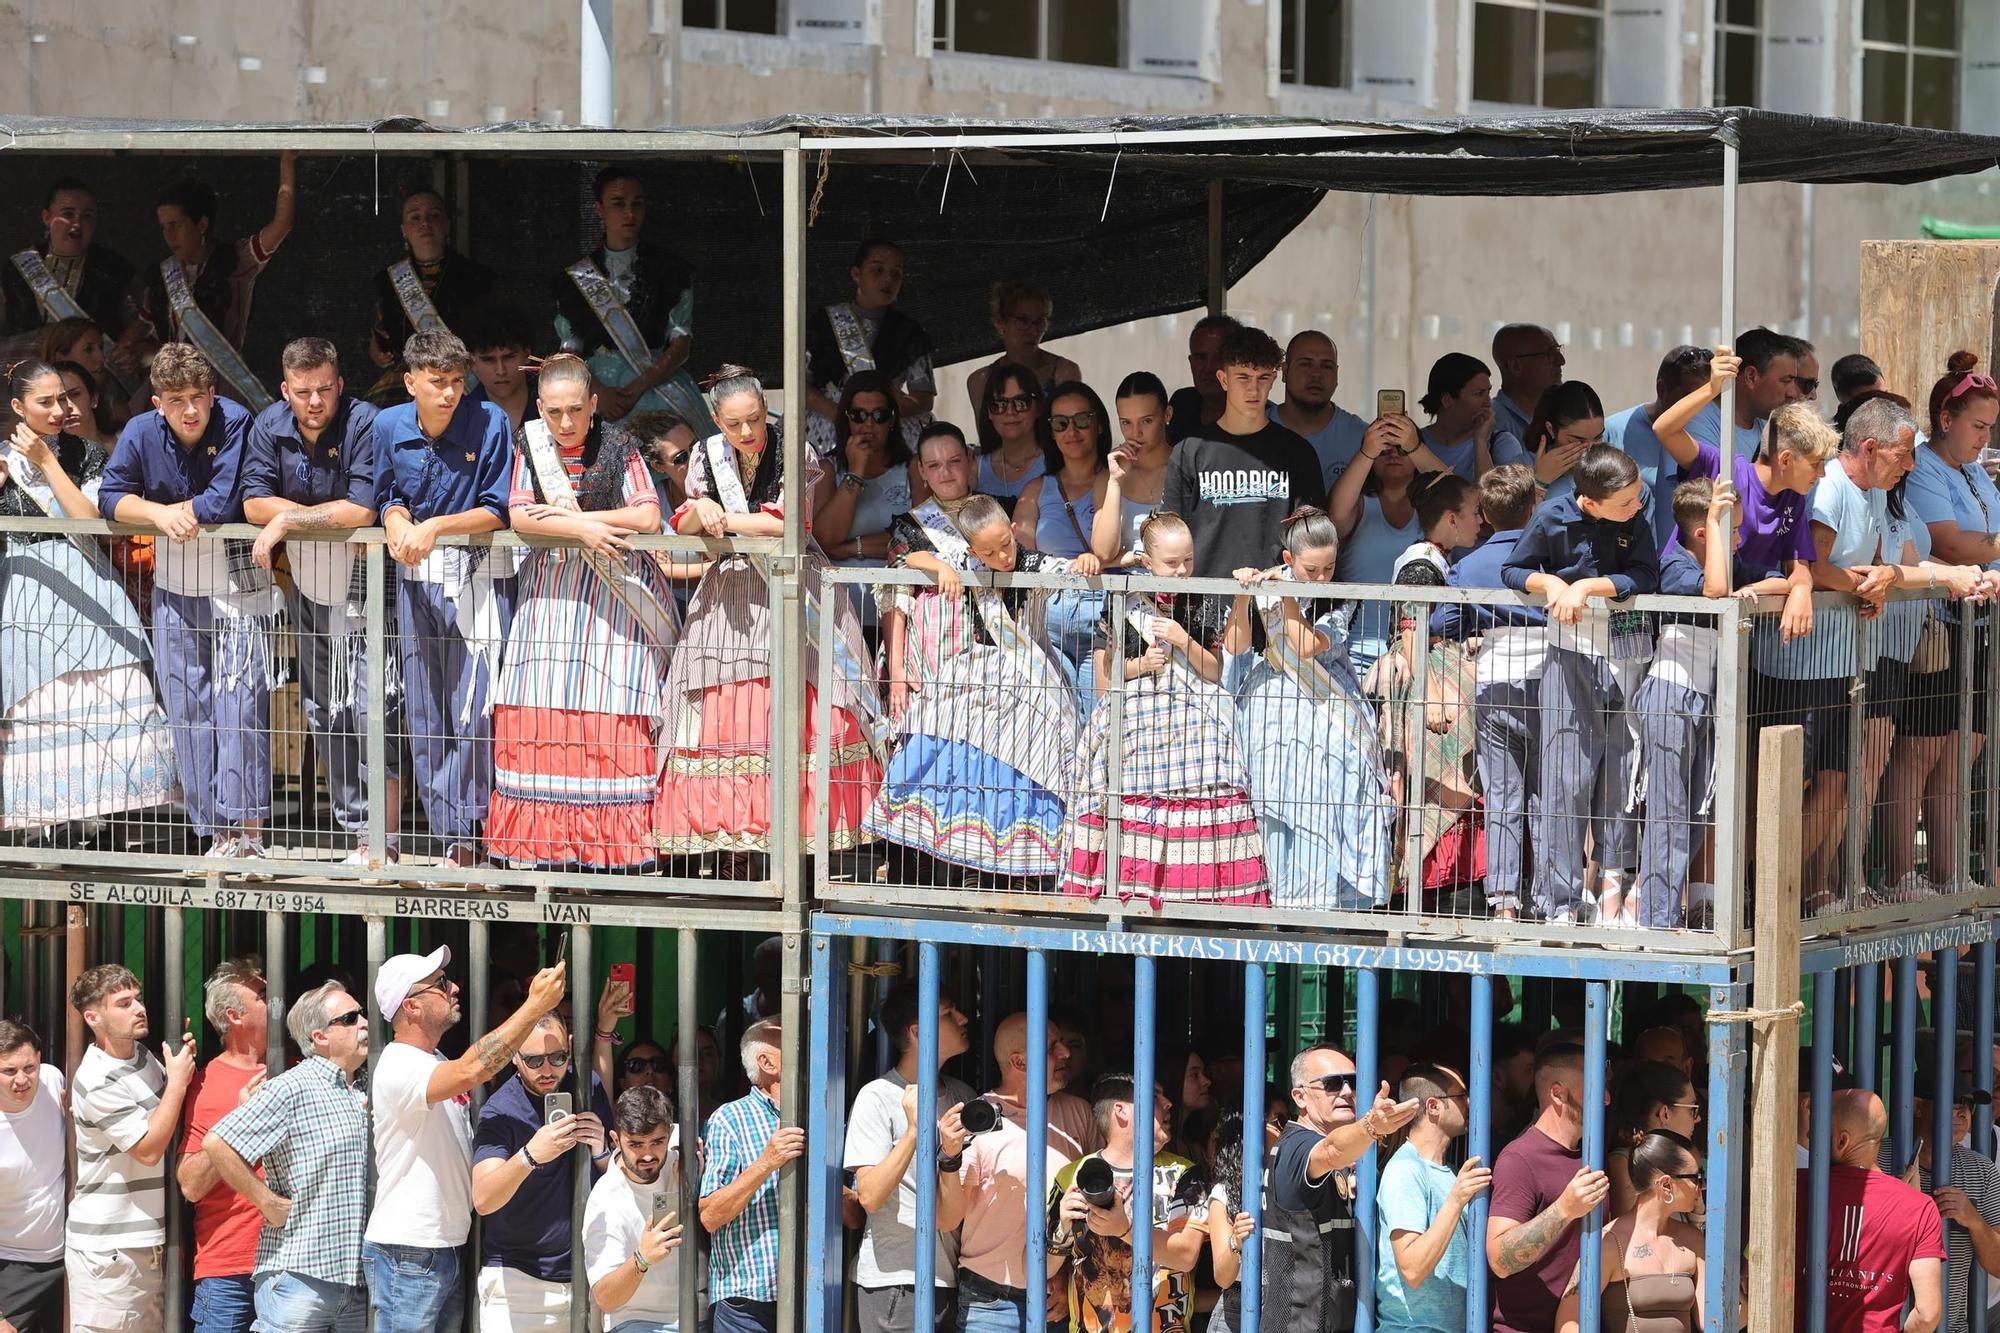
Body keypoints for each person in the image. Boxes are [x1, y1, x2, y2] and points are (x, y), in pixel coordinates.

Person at [654, 366, 881, 864]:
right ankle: (737, 837)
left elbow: (788, 524)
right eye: (734, 424)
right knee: (725, 707)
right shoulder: (704, 457)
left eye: (754, 419)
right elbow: (687, 520)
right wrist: (700, 513)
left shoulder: (794, 449)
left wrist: (722, 517)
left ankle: (802, 844)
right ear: (715, 420)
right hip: (731, 593)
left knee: (805, 702)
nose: (747, 433)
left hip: (793, 590)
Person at [487, 352, 680, 871]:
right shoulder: (528, 445)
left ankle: (609, 850)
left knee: (612, 705)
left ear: (594, 403)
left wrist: (578, 520)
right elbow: (521, 514)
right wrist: (582, 530)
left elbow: (646, 513)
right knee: (540, 705)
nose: (566, 422)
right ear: (541, 409)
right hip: (550, 601)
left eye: (576, 409)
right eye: (554, 412)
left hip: (613, 605)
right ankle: (544, 846)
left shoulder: (618, 446)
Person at [101, 343, 273, 858]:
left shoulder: (237, 421)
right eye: (177, 399)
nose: (191, 409)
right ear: (157, 402)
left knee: (241, 706)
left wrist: (166, 510)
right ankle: (213, 832)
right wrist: (158, 515)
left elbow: (224, 500)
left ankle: (249, 831)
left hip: (239, 589)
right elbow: (111, 496)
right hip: (174, 592)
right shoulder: (138, 432)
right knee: (187, 710)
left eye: (199, 396)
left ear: (214, 393)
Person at [867, 487, 1085, 883]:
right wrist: (940, 567)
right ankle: (943, 858)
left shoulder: (1032, 562)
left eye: (1007, 544)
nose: (1004, 557)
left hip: (1026, 676)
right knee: (937, 740)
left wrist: (1084, 562)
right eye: (990, 553)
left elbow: (1067, 570)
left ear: (1014, 529)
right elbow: (905, 556)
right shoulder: (960, 560)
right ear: (970, 549)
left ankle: (1016, 869)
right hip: (974, 669)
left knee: (1023, 760)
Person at [0, 358, 177, 832]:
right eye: (46, 401)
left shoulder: (87, 454)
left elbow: (86, 519)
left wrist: (45, 461)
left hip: (86, 576)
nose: (60, 409)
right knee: (40, 694)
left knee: (109, 680)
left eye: (65, 397)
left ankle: (103, 811)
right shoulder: (1, 460)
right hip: (29, 590)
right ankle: (45, 816)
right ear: (19, 407)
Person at [243, 337, 401, 867]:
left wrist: (289, 520)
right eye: (304, 391)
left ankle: (385, 835)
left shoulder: (365, 422)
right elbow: (251, 501)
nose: (315, 402)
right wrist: (307, 514)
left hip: (368, 585)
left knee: (373, 707)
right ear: (285, 389)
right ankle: (356, 829)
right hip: (308, 587)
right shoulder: (268, 425)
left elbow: (360, 508)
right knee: (324, 711)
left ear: (340, 384)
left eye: (325, 389)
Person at [1061, 511, 1269, 907]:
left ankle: (1206, 881)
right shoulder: (1126, 599)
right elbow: (1110, 672)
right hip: (1140, 699)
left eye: (1187, 560)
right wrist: (1143, 665)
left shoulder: (1201, 596)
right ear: (1148, 561)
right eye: (1172, 563)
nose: (1181, 570)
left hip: (1194, 699)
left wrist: (1181, 639)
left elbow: (1214, 670)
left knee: (1215, 751)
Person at [363, 948, 569, 1333]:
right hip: (409, 1251)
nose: (454, 987)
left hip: (439, 1248)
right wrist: (535, 1004)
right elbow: (477, 1066)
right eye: (440, 985)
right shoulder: (399, 1064)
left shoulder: (433, 1060)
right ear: (412, 1006)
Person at [375, 329, 519, 877]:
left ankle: (476, 830)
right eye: (437, 383)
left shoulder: (490, 423)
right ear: (411, 381)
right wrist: (394, 517)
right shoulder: (387, 425)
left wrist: (435, 524)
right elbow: (382, 493)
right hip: (415, 582)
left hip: (480, 578)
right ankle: (448, 834)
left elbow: (498, 507)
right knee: (426, 707)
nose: (449, 393)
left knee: (476, 708)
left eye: (458, 382)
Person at [1502, 435, 1661, 924]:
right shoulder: (1552, 516)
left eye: (1637, 496)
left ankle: (1612, 889)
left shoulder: (1637, 512)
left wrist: (1590, 585)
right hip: (1572, 654)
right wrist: (1550, 582)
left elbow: (1645, 573)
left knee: (1620, 775)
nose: (1637, 505)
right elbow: (1513, 569)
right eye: (1625, 501)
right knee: (1566, 779)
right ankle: (1560, 900)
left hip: (1627, 652)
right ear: (1589, 501)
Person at [1633, 479, 1791, 929]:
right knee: (1668, 811)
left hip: (1706, 699)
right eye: (1732, 530)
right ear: (1703, 532)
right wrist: (1731, 583)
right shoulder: (1674, 567)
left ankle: (1670, 909)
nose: (1739, 540)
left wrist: (1764, 589)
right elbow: (1715, 591)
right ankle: (1657, 918)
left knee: (1699, 808)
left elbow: (1778, 579)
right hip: (1670, 694)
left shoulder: (1729, 560)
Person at [1221, 506, 1392, 909]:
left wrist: (1286, 596)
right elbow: (1235, 647)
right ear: (1287, 560)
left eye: (1328, 568)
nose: (1320, 578)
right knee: (1273, 807)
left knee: (1331, 797)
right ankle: (1276, 898)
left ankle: (1329, 900)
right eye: (1310, 570)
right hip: (1270, 711)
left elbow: (1307, 646)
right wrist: (1243, 597)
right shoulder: (1269, 588)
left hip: (1328, 709)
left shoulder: (1341, 599)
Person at [203, 981, 374, 1333]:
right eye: (350, 1017)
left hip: (357, 1283)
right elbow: (218, 1143)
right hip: (299, 1278)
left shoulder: (367, 1087)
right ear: (320, 1036)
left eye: (362, 1013)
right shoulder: (291, 1087)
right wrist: (265, 1201)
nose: (364, 1022)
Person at [1892, 355, 2000, 899]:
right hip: (1935, 626)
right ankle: (1900, 873)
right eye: (1978, 427)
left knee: (1965, 748)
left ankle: (1948, 871)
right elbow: (1951, 542)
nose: (1984, 439)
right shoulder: (1926, 468)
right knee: (1920, 752)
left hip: (1975, 626)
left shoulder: (1975, 472)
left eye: (1989, 429)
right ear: (1947, 417)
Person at [1234, 1046, 1419, 1332]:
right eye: (1333, 1084)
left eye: (1352, 1082)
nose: (1346, 1091)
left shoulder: (1320, 1148)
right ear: (1300, 1096)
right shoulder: (1298, 1146)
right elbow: (1331, 1150)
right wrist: (1371, 1126)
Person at [1428, 466, 1543, 919]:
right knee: (1550, 795)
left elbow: (1442, 624)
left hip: (1493, 682)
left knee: (1502, 794)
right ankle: (1551, 901)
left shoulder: (1469, 566)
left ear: (1486, 516)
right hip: (1549, 677)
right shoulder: (1549, 557)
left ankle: (1504, 901)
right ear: (1533, 507)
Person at [944, 1013, 1102, 1333]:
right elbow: (946, 1220)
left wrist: (1066, 1276)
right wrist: (949, 1154)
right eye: (1051, 1047)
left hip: (1058, 1298)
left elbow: (1099, 1202)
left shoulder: (1078, 1112)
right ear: (1019, 1061)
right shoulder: (978, 1120)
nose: (1065, 1053)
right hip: (990, 1302)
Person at [66, 963, 198, 1333]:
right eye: (123, 1003)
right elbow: (148, 1148)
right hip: (110, 1250)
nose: (139, 1008)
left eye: (137, 999)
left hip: (142, 1245)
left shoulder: (143, 1057)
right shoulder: (95, 1078)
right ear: (93, 1017)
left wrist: (180, 1070)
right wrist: (178, 1082)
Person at [846, 981, 979, 1332]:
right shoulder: (876, 1096)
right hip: (895, 1281)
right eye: (949, 1013)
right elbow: (870, 1196)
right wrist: (911, 1132)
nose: (964, 1018)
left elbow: (953, 1212)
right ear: (918, 1032)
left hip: (948, 1280)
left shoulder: (963, 1096)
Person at [471, 1012, 615, 1331]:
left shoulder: (586, 1087)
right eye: (534, 1060)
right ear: (514, 1058)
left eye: (557, 1057)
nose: (548, 1070)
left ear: (570, 1048)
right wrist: (530, 1155)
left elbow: (618, 1180)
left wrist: (602, 1152)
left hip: (586, 1276)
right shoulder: (500, 1111)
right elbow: (483, 1198)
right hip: (518, 1284)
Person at [1163, 325, 1326, 588]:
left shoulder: (1298, 452)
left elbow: (1311, 538)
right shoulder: (1189, 451)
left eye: (1262, 377)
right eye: (1243, 377)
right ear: (1223, 379)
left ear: (1274, 379)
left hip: (1275, 604)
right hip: (1204, 606)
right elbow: (1170, 535)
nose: (1254, 389)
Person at [556, 166, 715, 434]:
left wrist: (639, 386)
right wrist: (598, 392)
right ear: (599, 209)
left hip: (659, 386)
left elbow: (681, 344)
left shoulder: (672, 271)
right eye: (618, 204)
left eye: (636, 204)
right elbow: (569, 350)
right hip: (598, 392)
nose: (629, 213)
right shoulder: (575, 279)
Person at [136, 153, 300, 408]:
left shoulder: (238, 260)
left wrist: (286, 163)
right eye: (163, 227)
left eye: (175, 225)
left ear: (201, 224)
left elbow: (281, 225)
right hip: (171, 390)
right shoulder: (162, 275)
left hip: (222, 389)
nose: (169, 235)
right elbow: (140, 332)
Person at [1046, 1075, 1206, 1333]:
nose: (1169, 1104)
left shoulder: (1184, 1174)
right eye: (1155, 1096)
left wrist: (1124, 1229)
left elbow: (1186, 1256)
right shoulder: (1072, 1176)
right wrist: (1060, 1231)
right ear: (1120, 1110)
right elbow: (1039, 1270)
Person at [1485, 1044, 1611, 1333]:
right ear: (1557, 1094)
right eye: (1595, 1088)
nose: (1606, 1099)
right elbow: (1499, 1259)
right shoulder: (1519, 1159)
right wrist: (1564, 1209)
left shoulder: (1591, 1155)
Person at [1797, 1090, 1945, 1333]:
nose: (1811, 1135)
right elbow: (1928, 1314)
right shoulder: (1920, 1208)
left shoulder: (1796, 1188)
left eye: (1821, 1129)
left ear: (1842, 1140)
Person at [176, 961, 271, 1333]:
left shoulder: (298, 1068)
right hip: (229, 1268)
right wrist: (240, 1119)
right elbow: (191, 1184)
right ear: (234, 1015)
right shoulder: (205, 1083)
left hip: (296, 1264)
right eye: (262, 996)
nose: (275, 1001)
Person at [700, 1019, 804, 1333]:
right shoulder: (730, 1119)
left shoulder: (819, 1112)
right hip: (746, 1303)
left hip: (808, 1296)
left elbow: (853, 1214)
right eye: (795, 1041)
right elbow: (709, 1215)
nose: (806, 1047)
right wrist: (766, 1163)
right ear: (767, 1062)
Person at [1881, 1057, 2000, 1333]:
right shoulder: (1878, 1157)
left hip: (1951, 1327)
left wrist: (1973, 1219)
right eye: (1954, 1103)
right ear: (1919, 1106)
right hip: (1882, 1324)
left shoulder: (1981, 1171)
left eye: (1967, 1107)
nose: (1963, 1114)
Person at [1012, 380, 1115, 694]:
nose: (1072, 431)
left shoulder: (1118, 480)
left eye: (1082, 420)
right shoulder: (1036, 490)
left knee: (1099, 720)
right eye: (1061, 423)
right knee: (1056, 726)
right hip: (1048, 618)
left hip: (1101, 612)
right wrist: (1065, 565)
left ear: (1098, 425)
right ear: (1051, 432)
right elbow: (1019, 555)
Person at [1375, 1064, 1492, 1333]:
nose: (1470, 1103)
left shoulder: (1449, 1173)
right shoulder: (1406, 1170)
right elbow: (1413, 1268)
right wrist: (1456, 1200)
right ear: (1433, 1106)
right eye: (1461, 1096)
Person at [1554, 1130, 1705, 1333]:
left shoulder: (1693, 1240)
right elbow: (1569, 1321)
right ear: (1666, 1185)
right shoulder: (1609, 1243)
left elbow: (1712, 1319)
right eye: (1697, 1178)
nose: (1701, 1187)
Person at [365, 185, 496, 405]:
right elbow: (379, 340)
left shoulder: (478, 277)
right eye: (415, 217)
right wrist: (377, 353)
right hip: (404, 385)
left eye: (433, 215)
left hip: (459, 385)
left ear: (447, 225)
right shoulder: (386, 282)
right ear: (404, 230)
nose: (425, 223)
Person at [1329, 412, 1436, 677]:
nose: (1393, 455)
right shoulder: (1361, 504)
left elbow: (1457, 495)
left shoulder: (1433, 510)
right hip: (1354, 654)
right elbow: (1336, 519)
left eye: (1402, 448)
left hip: (1417, 654)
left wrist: (1416, 445)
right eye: (1384, 450)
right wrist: (1368, 450)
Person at [805, 238, 934, 456]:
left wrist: (884, 412)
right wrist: (842, 416)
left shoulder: (909, 331)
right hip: (827, 424)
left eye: (896, 273)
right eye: (877, 270)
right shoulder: (822, 323)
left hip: (887, 425)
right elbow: (801, 387)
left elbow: (923, 397)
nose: (888, 279)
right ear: (856, 274)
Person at [584, 1086, 688, 1333]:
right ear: (615, 1140)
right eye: (636, 1145)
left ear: (670, 1133)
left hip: (697, 1313)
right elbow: (605, 1297)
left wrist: (695, 1173)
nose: (648, 1155)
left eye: (656, 1142)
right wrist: (642, 1258)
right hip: (636, 1321)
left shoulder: (681, 1153)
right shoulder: (605, 1199)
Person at [3, 177, 141, 353]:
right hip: (27, 373)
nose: (77, 224)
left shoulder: (114, 269)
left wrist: (128, 352)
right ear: (47, 217)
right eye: (68, 214)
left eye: (87, 216)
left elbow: (139, 330)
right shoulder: (16, 269)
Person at [1602, 346, 1718, 547]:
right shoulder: (1614, 430)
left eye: (1707, 399)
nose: (1699, 408)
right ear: (1661, 389)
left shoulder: (1711, 433)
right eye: (1691, 397)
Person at [0, 1020, 66, 1333]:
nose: (22, 1080)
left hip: (68, 1258)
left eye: (29, 1067)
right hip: (10, 1266)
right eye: (9, 1071)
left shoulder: (54, 1080)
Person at [815, 370, 917, 565]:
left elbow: (919, 537)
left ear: (892, 419)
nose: (868, 425)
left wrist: (851, 548)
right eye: (858, 415)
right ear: (847, 418)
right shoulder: (827, 469)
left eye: (880, 415)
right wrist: (855, 472)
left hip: (900, 593)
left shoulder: (912, 468)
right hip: (839, 593)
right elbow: (824, 540)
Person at [1092, 373, 1174, 568]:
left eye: (1146, 421)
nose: (1135, 433)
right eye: (1126, 422)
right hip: (1123, 596)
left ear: (1167, 415)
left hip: (1179, 593)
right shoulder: (1109, 476)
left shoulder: (1186, 468)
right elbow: (1103, 553)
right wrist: (1115, 481)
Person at [1271, 329, 1370, 487]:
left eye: (1326, 366)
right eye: (1305, 364)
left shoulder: (1363, 440)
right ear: (1285, 371)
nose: (1316, 374)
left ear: (1337, 375)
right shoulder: (1256, 431)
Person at [966, 280, 1082, 410]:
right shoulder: (980, 381)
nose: (1033, 331)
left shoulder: (1064, 372)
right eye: (1023, 321)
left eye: (1039, 322)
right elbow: (986, 430)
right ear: (1000, 323)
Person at [1603, 1061, 1700, 1215]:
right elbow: (1631, 1235)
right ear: (1665, 1113)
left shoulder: (1678, 1157)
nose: (1698, 1118)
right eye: (1692, 1110)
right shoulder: (1624, 1164)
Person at [1416, 352, 1526, 482]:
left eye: (1488, 392)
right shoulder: (1414, 444)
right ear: (1447, 400)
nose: (1487, 402)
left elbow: (1495, 500)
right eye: (1479, 394)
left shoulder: (1501, 444)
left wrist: (1480, 443)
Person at [973, 364, 1049, 508]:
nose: (1010, 412)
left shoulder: (1057, 461)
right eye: (999, 404)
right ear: (989, 412)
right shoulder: (974, 470)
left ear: (1038, 407)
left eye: (1021, 402)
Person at [1166, 314, 1243, 445]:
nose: (1208, 368)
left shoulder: (1263, 417)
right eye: (1201, 357)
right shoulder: (1182, 403)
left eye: (1219, 358)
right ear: (1191, 363)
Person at [465, 308, 539, 433]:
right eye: (488, 360)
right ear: (472, 363)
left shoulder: (556, 405)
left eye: (509, 357)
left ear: (527, 355)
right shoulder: (459, 418)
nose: (501, 371)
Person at [1489, 323, 1566, 444]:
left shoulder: (1556, 421)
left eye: (1559, 351)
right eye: (1550, 355)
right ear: (1516, 367)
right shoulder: (1491, 427)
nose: (1561, 361)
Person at [54, 356, 122, 446]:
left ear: (94, 398)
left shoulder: (126, 438)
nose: (68, 406)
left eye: (75, 394)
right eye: (60, 399)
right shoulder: (48, 457)